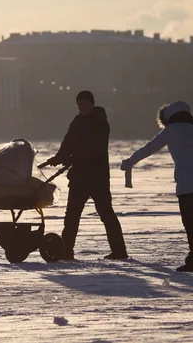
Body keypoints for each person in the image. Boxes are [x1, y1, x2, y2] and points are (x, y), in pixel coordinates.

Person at [120, 101, 193, 273]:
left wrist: (130, 161)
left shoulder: (171, 131)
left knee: (190, 222)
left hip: (186, 182)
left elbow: (149, 149)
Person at [45, 90, 128, 261]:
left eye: (83, 104)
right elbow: (67, 143)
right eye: (78, 104)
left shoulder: (100, 123)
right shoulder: (76, 122)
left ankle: (119, 251)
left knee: (106, 214)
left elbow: (94, 148)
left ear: (91, 104)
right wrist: (59, 158)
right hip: (79, 177)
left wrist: (71, 158)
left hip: (97, 177)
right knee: (72, 215)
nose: (80, 107)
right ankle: (66, 251)